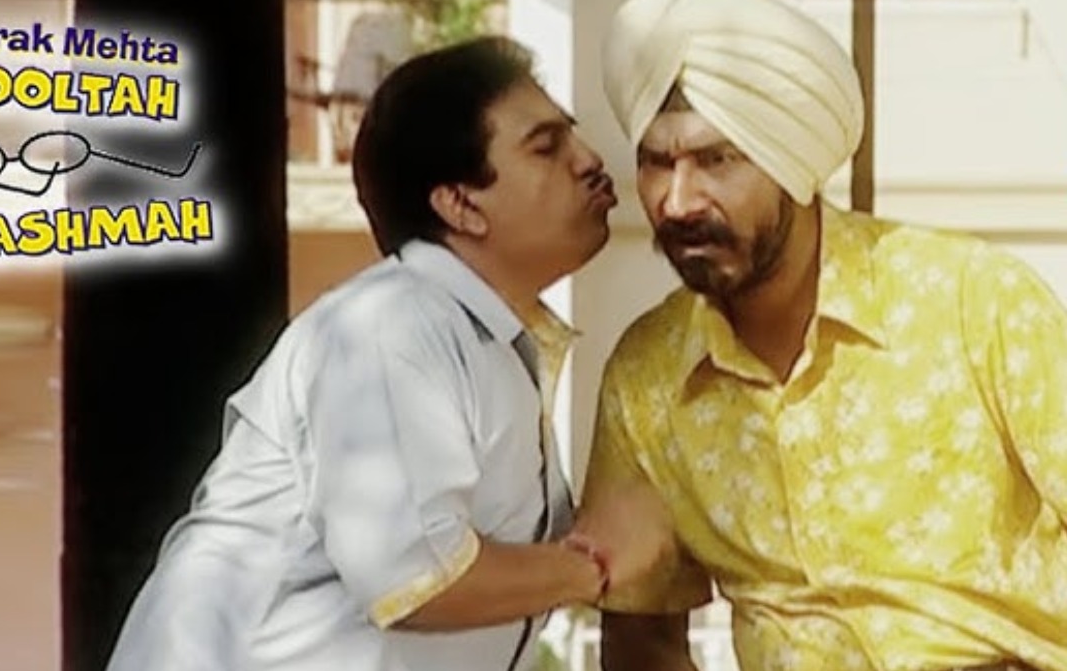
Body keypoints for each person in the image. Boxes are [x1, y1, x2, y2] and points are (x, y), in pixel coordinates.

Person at [105, 35, 669, 671]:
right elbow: (420, 579)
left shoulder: (486, 337)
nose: (590, 160)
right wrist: (595, 567)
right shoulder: (393, 327)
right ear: (461, 204)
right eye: (546, 147)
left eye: (574, 137)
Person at [580, 0, 1067, 669]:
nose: (678, 200)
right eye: (656, 162)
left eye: (717, 160)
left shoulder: (969, 300)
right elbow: (642, 638)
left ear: (793, 165)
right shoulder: (648, 378)